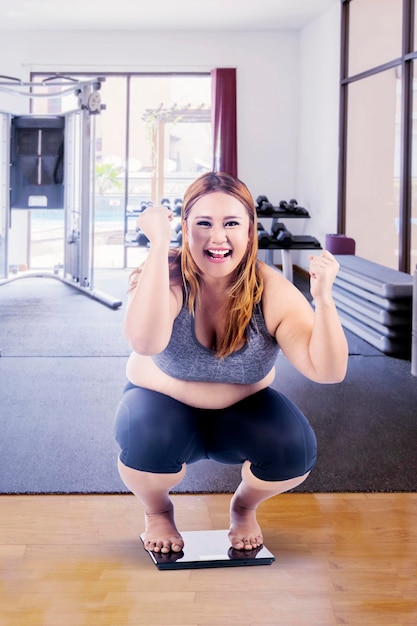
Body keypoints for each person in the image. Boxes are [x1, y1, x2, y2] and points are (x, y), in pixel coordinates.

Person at [114, 171, 348, 554]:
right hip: (161, 409)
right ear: (185, 228)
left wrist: (324, 301)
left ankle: (243, 507)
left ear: (251, 230)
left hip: (241, 415)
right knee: (146, 437)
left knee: (294, 450)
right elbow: (145, 340)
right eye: (203, 223)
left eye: (231, 223)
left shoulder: (271, 291)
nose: (218, 237)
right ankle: (157, 512)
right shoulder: (167, 278)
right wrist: (158, 245)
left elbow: (328, 372)